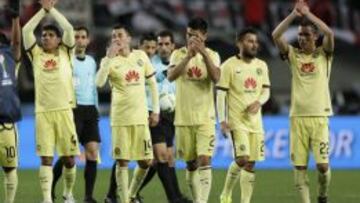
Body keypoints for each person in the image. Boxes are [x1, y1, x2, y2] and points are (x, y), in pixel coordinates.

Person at [272, 1, 334, 203]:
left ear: (315, 37)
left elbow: (330, 34)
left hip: (320, 116)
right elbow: (275, 36)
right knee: (299, 167)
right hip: (297, 118)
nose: (301, 38)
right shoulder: (293, 55)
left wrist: (309, 14)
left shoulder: (323, 55)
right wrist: (293, 15)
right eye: (299, 34)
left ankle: (322, 195)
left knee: (323, 167)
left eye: (306, 34)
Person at [22, 0, 80, 202]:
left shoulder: (66, 52)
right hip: (43, 113)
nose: (45, 38)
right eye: (44, 35)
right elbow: (26, 30)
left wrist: (51, 9)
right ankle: (47, 199)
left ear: (58, 40)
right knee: (46, 158)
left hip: (64, 111)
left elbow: (69, 28)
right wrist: (42, 11)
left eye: (50, 35)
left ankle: (68, 193)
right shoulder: (35, 54)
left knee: (69, 159)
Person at [96, 24, 160, 203]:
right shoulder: (109, 61)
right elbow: (99, 83)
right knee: (122, 162)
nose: (116, 39)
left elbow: (153, 84)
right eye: (113, 36)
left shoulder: (140, 56)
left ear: (129, 39)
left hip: (141, 119)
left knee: (146, 162)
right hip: (120, 120)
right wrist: (108, 58)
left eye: (120, 35)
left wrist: (155, 111)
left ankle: (131, 194)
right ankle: (125, 200)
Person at [167, 17, 221, 203]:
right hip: (183, 119)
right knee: (190, 164)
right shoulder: (178, 54)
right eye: (188, 34)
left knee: (204, 160)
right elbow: (171, 76)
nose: (190, 39)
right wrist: (188, 56)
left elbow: (216, 78)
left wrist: (203, 54)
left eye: (195, 36)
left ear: (204, 36)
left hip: (206, 118)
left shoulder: (213, 55)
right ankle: (197, 198)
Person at [217, 28, 270, 203]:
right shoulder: (228, 66)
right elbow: (221, 95)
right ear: (239, 43)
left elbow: (266, 91)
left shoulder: (261, 66)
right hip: (237, 121)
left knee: (251, 163)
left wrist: (259, 102)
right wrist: (222, 121)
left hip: (255, 123)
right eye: (249, 41)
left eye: (255, 41)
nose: (254, 44)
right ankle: (225, 194)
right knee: (242, 159)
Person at [51, 26, 100, 203]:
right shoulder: (65, 59)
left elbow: (93, 87)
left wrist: (95, 108)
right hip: (73, 110)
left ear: (87, 40)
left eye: (83, 37)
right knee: (68, 156)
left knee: (93, 153)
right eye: (77, 37)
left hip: (90, 111)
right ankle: (50, 190)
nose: (80, 40)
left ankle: (88, 196)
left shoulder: (92, 62)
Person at [0, 1, 21, 202]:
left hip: (6, 125)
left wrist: (15, 20)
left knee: (10, 168)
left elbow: (16, 45)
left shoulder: (9, 58)